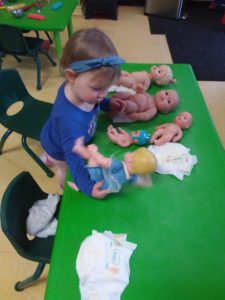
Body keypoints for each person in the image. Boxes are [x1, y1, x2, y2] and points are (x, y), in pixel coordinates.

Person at [40, 28, 125, 199]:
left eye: (107, 88)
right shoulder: (71, 121)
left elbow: (98, 99)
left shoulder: (79, 88)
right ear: (71, 76)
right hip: (61, 151)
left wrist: (107, 104)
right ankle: (61, 186)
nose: (103, 94)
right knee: (63, 169)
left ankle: (47, 157)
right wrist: (88, 187)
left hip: (59, 133)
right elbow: (74, 159)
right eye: (97, 89)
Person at [72, 137, 157, 194]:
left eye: (132, 153)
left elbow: (102, 161)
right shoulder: (131, 175)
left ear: (130, 160)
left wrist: (94, 151)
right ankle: (80, 185)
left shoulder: (118, 165)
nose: (130, 152)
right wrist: (145, 181)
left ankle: (78, 148)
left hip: (100, 181)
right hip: (107, 185)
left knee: (93, 159)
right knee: (98, 159)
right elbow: (138, 181)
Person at [110, 89, 179, 123]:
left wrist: (137, 116)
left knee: (130, 105)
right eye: (166, 93)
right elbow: (140, 92)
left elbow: (146, 116)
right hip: (131, 96)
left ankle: (120, 105)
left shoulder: (153, 109)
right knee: (123, 94)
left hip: (136, 107)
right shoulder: (149, 95)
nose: (165, 97)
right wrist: (140, 89)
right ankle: (113, 99)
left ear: (165, 111)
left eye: (168, 101)